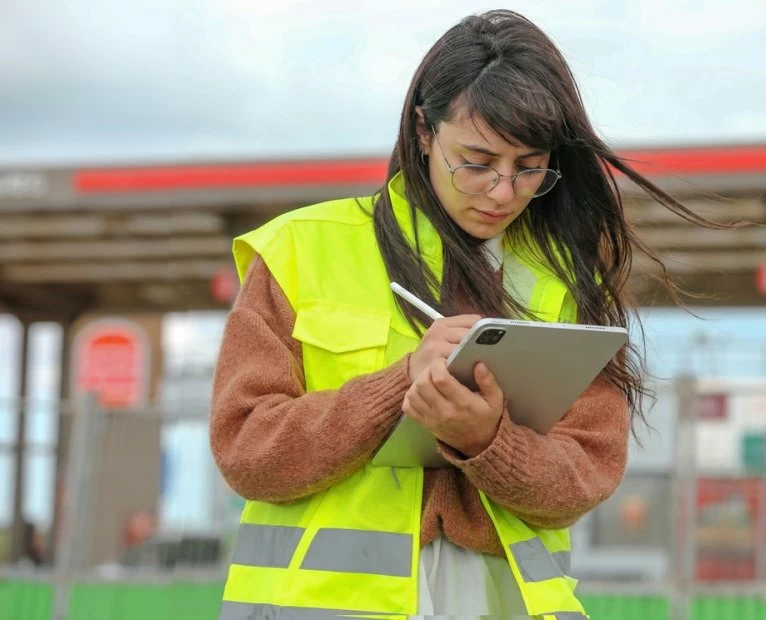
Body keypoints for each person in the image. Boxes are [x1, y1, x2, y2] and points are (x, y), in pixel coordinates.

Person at [210, 9, 720, 619]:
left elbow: (588, 472)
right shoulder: (301, 250)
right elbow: (246, 449)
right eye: (476, 162)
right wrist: (399, 385)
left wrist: (488, 442)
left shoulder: (563, 282)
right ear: (423, 131)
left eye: (529, 167)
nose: (502, 192)